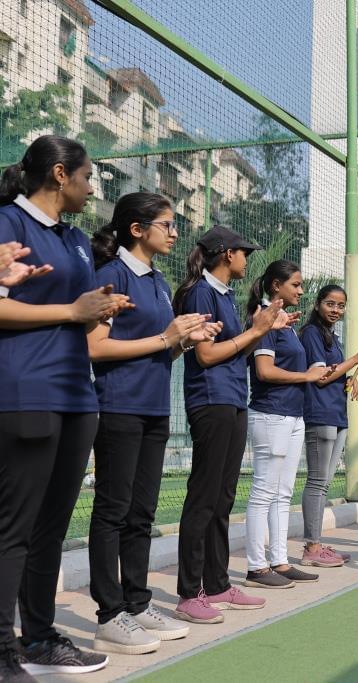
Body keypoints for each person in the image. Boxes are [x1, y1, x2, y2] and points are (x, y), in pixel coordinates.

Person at [0, 135, 131, 679]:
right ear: (60, 174)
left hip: (78, 395)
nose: (92, 187)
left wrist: (99, 310)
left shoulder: (76, 239)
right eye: (87, 176)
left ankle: (39, 637)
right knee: (14, 528)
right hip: (27, 391)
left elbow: (76, 310)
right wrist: (70, 311)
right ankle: (2, 650)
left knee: (51, 528)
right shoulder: (8, 223)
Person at [87, 193, 219, 655]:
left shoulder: (160, 282)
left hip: (154, 409)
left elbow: (160, 349)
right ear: (137, 229)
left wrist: (185, 340)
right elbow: (95, 348)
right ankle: (109, 615)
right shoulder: (111, 275)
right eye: (167, 223)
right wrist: (166, 337)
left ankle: (137, 604)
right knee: (112, 510)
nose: (176, 232)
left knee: (142, 513)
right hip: (118, 406)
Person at [172, 225, 287, 624]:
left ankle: (218, 584)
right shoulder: (199, 292)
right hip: (211, 400)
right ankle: (190, 593)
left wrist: (263, 330)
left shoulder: (224, 294)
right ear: (226, 254)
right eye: (243, 253)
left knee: (222, 498)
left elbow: (235, 351)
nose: (246, 260)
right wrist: (255, 330)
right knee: (203, 497)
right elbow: (205, 355)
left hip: (233, 399)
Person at [243, 260, 331, 589]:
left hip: (292, 415)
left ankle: (279, 561)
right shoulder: (264, 318)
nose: (301, 290)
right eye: (295, 284)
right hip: (272, 414)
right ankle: (256, 566)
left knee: (282, 493)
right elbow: (264, 371)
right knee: (263, 491)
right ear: (276, 285)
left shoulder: (286, 323)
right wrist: (305, 376)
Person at [299, 285, 358, 568]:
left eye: (341, 306)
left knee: (325, 483)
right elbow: (320, 376)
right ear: (318, 304)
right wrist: (355, 359)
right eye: (330, 304)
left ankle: (316, 544)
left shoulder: (332, 336)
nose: (336, 310)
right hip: (320, 414)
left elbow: (333, 372)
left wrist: (348, 376)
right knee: (317, 482)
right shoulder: (311, 333)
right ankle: (312, 547)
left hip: (336, 414)